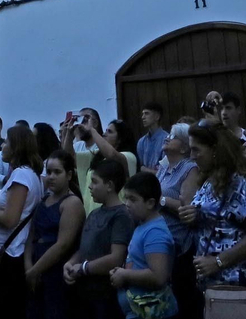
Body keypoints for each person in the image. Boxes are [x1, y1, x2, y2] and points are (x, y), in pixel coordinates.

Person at [180, 121, 246, 293]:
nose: (192, 156)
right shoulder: (208, 181)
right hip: (212, 284)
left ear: (214, 150)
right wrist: (195, 216)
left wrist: (218, 261)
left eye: (196, 149)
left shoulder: (237, 183)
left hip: (235, 282)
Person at [0, 123, 46, 319]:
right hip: (14, 252)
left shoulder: (21, 175)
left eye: (6, 141)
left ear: (16, 146)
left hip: (11, 254)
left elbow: (10, 219)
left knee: (7, 310)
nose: (2, 146)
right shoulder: (28, 174)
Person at [63, 157, 134, 318]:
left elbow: (116, 257)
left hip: (104, 295)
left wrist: (82, 268)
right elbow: (85, 248)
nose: (90, 186)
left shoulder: (121, 215)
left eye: (95, 182)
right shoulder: (95, 213)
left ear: (109, 185)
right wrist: (71, 263)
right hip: (84, 292)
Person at [111, 171, 180, 319]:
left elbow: (158, 276)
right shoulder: (143, 225)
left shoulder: (155, 232)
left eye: (133, 199)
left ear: (150, 203)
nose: (127, 204)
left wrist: (124, 275)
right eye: (126, 198)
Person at [27, 149, 86, 319]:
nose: (51, 177)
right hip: (36, 271)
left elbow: (62, 245)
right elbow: (31, 237)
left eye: (57, 172)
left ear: (69, 175)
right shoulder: (44, 200)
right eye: (49, 172)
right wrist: (29, 268)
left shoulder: (72, 203)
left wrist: (34, 271)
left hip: (56, 273)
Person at [155, 123, 203, 319]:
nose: (168, 137)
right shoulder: (164, 167)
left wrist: (162, 200)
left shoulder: (190, 168)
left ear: (184, 147)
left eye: (173, 136)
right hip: (161, 241)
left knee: (181, 303)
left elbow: (188, 208)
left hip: (179, 245)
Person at [138, 102, 170, 173]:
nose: (143, 117)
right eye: (142, 114)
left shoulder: (166, 139)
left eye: (147, 113)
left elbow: (166, 170)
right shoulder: (141, 142)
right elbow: (139, 167)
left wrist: (145, 170)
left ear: (157, 117)